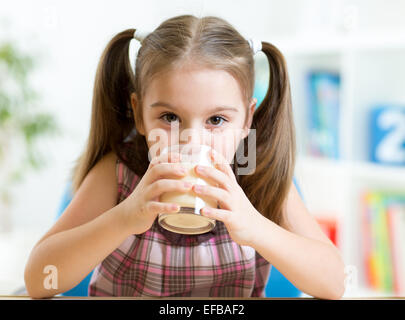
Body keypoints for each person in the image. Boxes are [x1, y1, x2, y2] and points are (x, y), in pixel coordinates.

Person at [24, 15, 345, 299]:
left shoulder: (255, 175)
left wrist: (256, 227)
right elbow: (39, 279)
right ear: (139, 114)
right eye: (170, 117)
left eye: (216, 120)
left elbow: (334, 284)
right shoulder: (119, 172)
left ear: (247, 120)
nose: (192, 141)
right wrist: (123, 218)